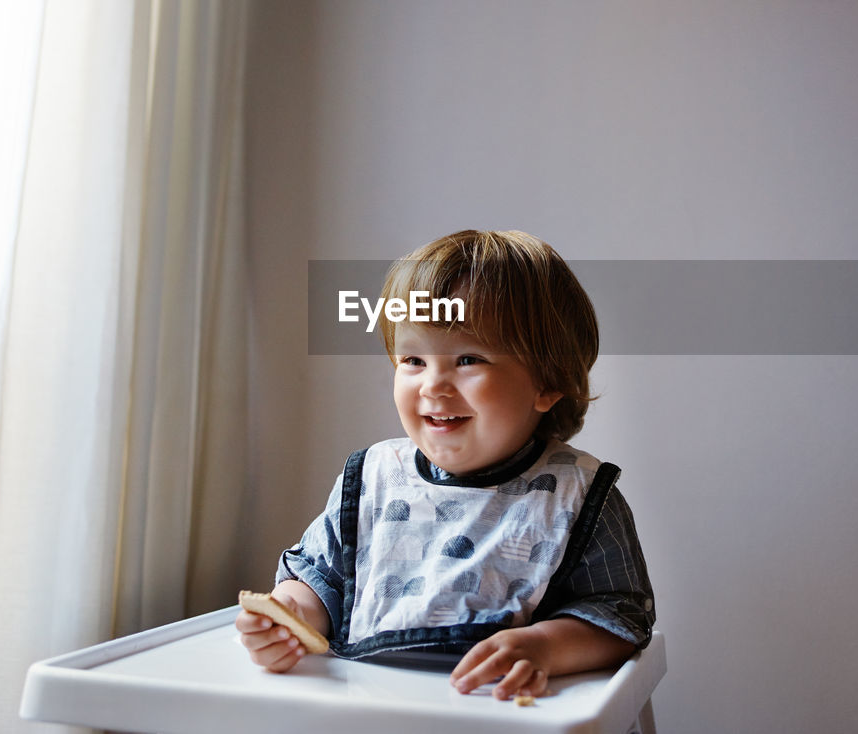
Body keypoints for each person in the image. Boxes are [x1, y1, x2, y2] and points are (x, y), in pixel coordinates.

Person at [236, 229, 655, 701]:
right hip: (366, 709)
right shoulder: (375, 480)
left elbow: (619, 614)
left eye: (468, 358)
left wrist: (543, 646)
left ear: (547, 381)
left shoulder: (575, 496)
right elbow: (323, 579)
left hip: (496, 712)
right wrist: (289, 619)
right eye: (413, 358)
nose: (433, 385)